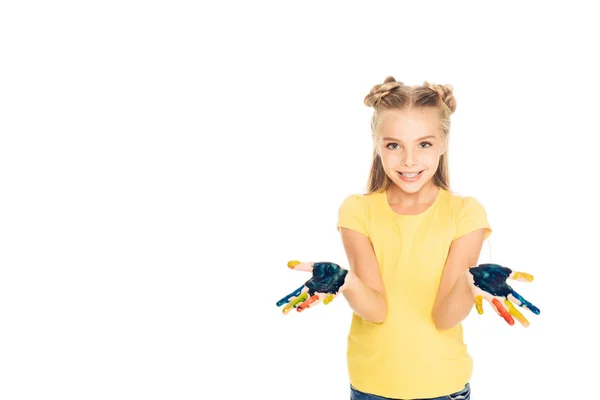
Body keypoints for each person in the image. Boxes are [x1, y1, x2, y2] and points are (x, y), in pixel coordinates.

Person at [335, 76, 490, 400]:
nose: (408, 160)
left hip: (442, 387)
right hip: (371, 387)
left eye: (424, 144)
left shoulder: (465, 213)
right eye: (394, 145)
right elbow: (376, 310)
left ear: (443, 142)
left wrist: (469, 285)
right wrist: (344, 281)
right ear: (377, 144)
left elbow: (444, 316)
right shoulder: (357, 210)